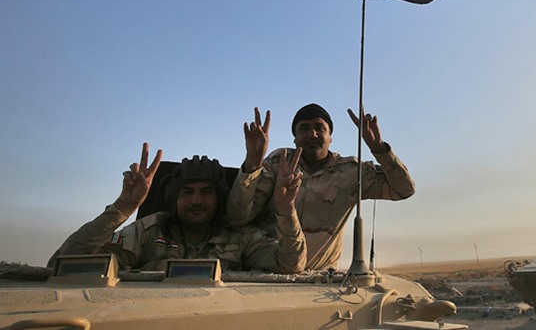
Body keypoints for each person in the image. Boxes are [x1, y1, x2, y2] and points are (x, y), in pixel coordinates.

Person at [49, 143, 306, 273]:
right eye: (187, 192)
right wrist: (123, 207)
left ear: (220, 199)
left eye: (206, 192)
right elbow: (65, 262)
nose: (196, 200)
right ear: (174, 198)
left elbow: (291, 265)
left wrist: (286, 211)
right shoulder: (150, 231)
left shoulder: (240, 237)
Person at [227, 104, 416, 270]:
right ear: (295, 139)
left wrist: (379, 148)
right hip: (271, 270)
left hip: (321, 278)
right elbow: (239, 217)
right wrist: (252, 163)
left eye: (320, 128)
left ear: (330, 137)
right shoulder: (279, 163)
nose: (313, 134)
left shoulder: (351, 172)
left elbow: (404, 189)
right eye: (304, 128)